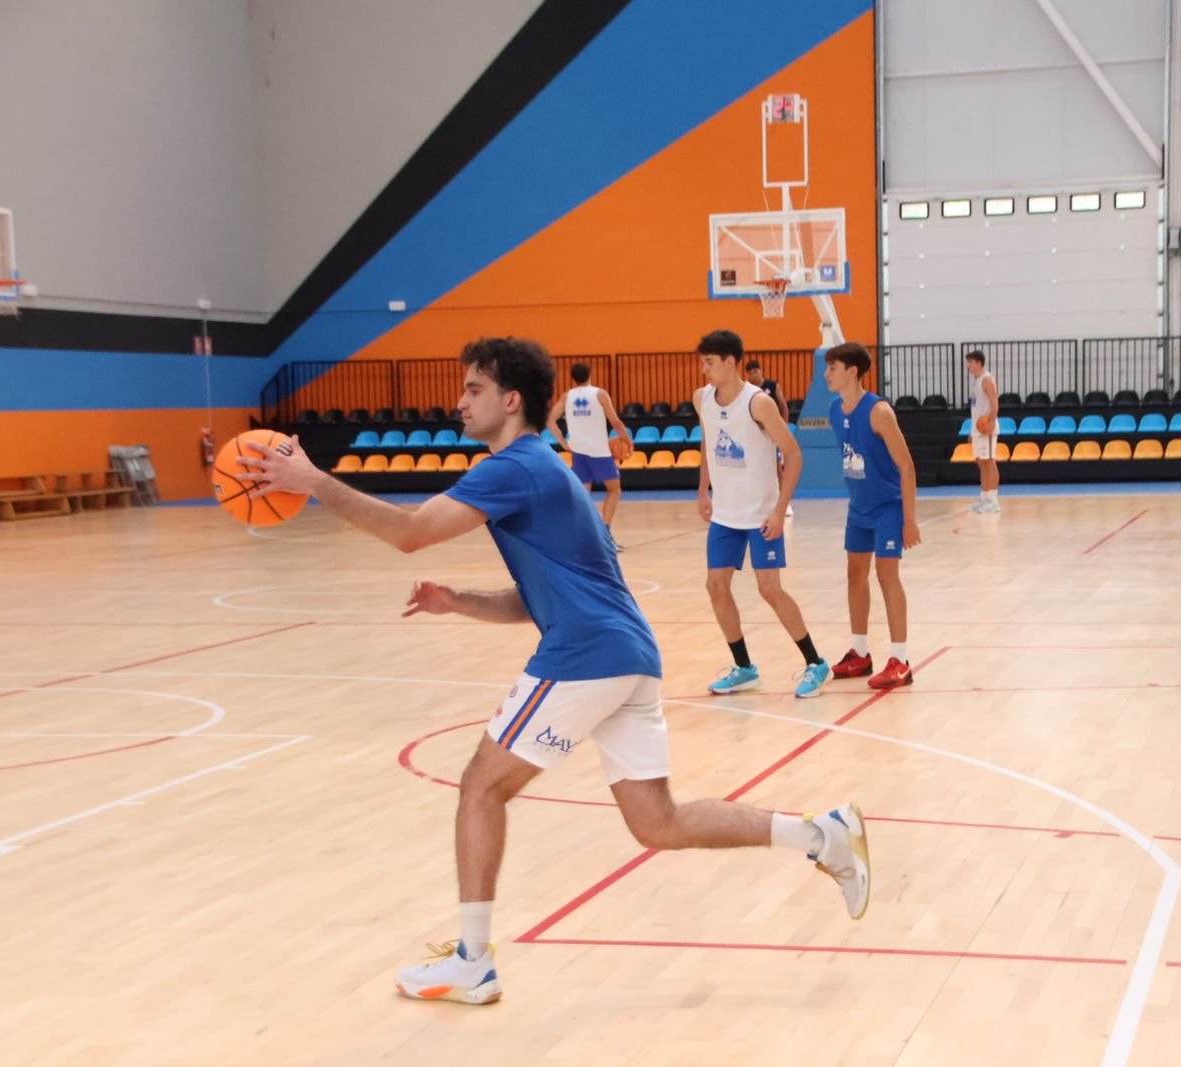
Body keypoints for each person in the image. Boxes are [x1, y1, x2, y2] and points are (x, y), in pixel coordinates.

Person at [237, 337, 870, 1006]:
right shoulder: (547, 468)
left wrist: (312, 482)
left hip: (586, 655)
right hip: (630, 655)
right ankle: (821, 833)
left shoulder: (513, 465)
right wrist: (459, 602)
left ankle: (473, 961)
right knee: (658, 822)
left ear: (511, 401)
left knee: (482, 785)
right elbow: (537, 599)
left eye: (473, 389)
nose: (459, 401)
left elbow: (409, 530)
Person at [694, 330, 830, 698]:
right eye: (702, 361)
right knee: (715, 586)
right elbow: (708, 443)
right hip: (725, 514)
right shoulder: (702, 398)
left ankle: (816, 663)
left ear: (730, 361)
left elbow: (794, 454)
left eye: (709, 362)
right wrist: (703, 488)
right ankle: (743, 667)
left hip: (760, 515)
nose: (703, 369)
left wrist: (779, 510)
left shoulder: (759, 403)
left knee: (769, 590)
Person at [823, 343, 920, 689]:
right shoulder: (836, 410)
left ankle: (901, 660)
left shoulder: (879, 411)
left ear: (852, 371)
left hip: (887, 508)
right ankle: (860, 654)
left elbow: (906, 466)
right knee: (854, 576)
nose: (826, 374)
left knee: (886, 575)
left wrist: (909, 519)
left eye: (832, 368)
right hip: (858, 508)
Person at [547, 362, 633, 551]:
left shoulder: (567, 396)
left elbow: (549, 420)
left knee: (584, 495)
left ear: (573, 377)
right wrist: (628, 441)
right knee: (614, 489)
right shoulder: (599, 394)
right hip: (598, 450)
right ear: (590, 374)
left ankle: (584, 537)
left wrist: (563, 443)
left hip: (578, 450)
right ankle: (605, 535)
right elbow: (615, 422)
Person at [745, 358, 795, 519]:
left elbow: (783, 407)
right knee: (755, 467)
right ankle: (758, 502)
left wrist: (784, 426)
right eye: (750, 372)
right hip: (756, 434)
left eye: (755, 371)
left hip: (774, 431)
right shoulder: (748, 390)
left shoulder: (772, 386)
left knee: (777, 468)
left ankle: (784, 503)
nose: (753, 374)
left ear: (760, 371)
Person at [964, 350, 1001, 513]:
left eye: (970, 362)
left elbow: (995, 403)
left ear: (978, 362)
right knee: (981, 462)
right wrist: (972, 431)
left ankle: (993, 500)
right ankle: (984, 498)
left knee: (989, 462)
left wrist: (992, 422)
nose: (968, 366)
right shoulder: (976, 381)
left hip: (987, 428)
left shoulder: (987, 379)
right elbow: (976, 410)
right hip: (977, 428)